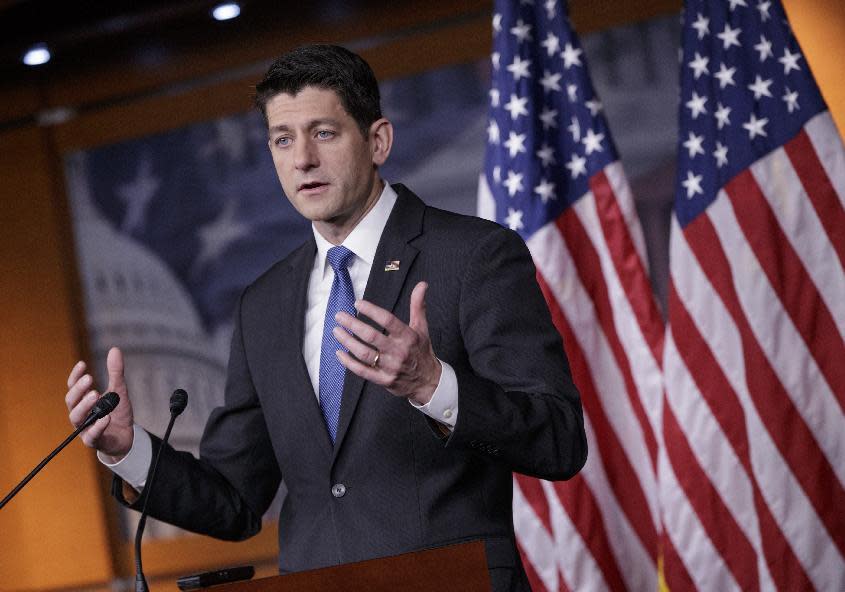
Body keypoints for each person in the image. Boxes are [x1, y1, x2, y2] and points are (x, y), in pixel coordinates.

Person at [65, 44, 587, 591]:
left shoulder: (472, 255)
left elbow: (559, 440)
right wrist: (130, 451)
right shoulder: (263, 304)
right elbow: (237, 499)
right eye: (282, 140)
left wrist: (434, 385)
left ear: (378, 140)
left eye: (325, 133)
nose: (302, 160)